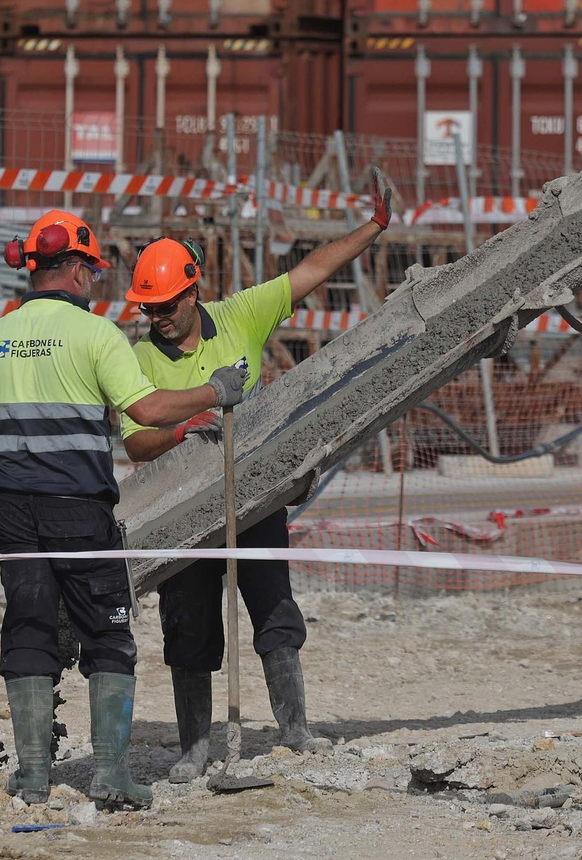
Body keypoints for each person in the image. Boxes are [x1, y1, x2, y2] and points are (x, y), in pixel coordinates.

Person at [0, 210, 249, 810]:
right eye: (93, 269)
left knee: (28, 629)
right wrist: (214, 391)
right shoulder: (97, 336)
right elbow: (149, 411)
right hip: (79, 513)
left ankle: (32, 776)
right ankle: (109, 771)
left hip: (14, 516)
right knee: (108, 636)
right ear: (80, 270)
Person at [121, 170, 394, 782]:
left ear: (192, 294)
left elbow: (312, 271)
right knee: (188, 621)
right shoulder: (136, 357)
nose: (156, 318)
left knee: (274, 610)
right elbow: (137, 443)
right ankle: (194, 747)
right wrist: (184, 428)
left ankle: (293, 729)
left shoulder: (240, 314)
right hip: (184, 511)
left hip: (253, 498)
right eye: (148, 309)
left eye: (165, 306)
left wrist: (372, 229)